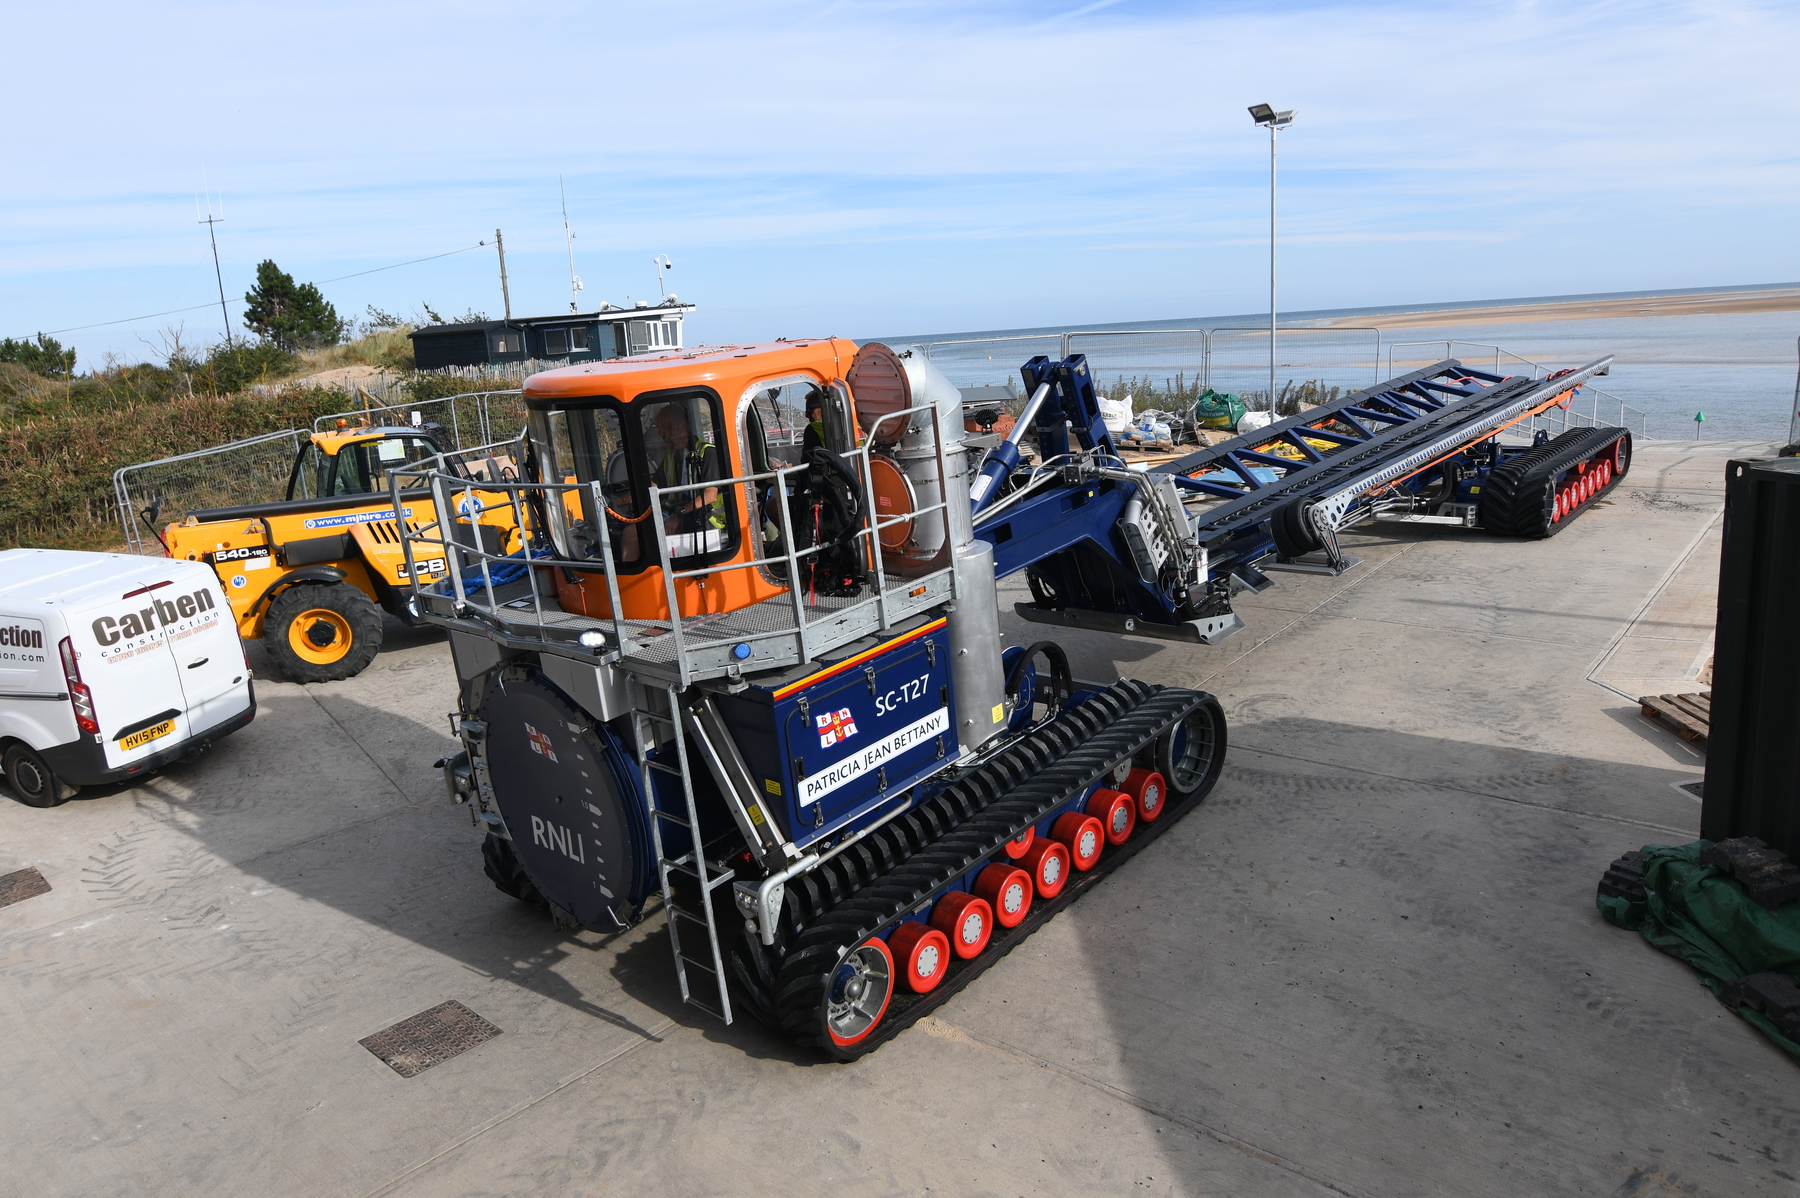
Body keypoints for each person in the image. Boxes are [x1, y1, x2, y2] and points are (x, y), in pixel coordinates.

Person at [652, 404, 727, 554]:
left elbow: (710, 495)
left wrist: (678, 514)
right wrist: (625, 500)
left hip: (708, 520)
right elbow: (654, 485)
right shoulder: (672, 455)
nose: (661, 433)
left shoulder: (707, 453)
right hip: (682, 514)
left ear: (683, 426)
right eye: (659, 428)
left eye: (667, 427)